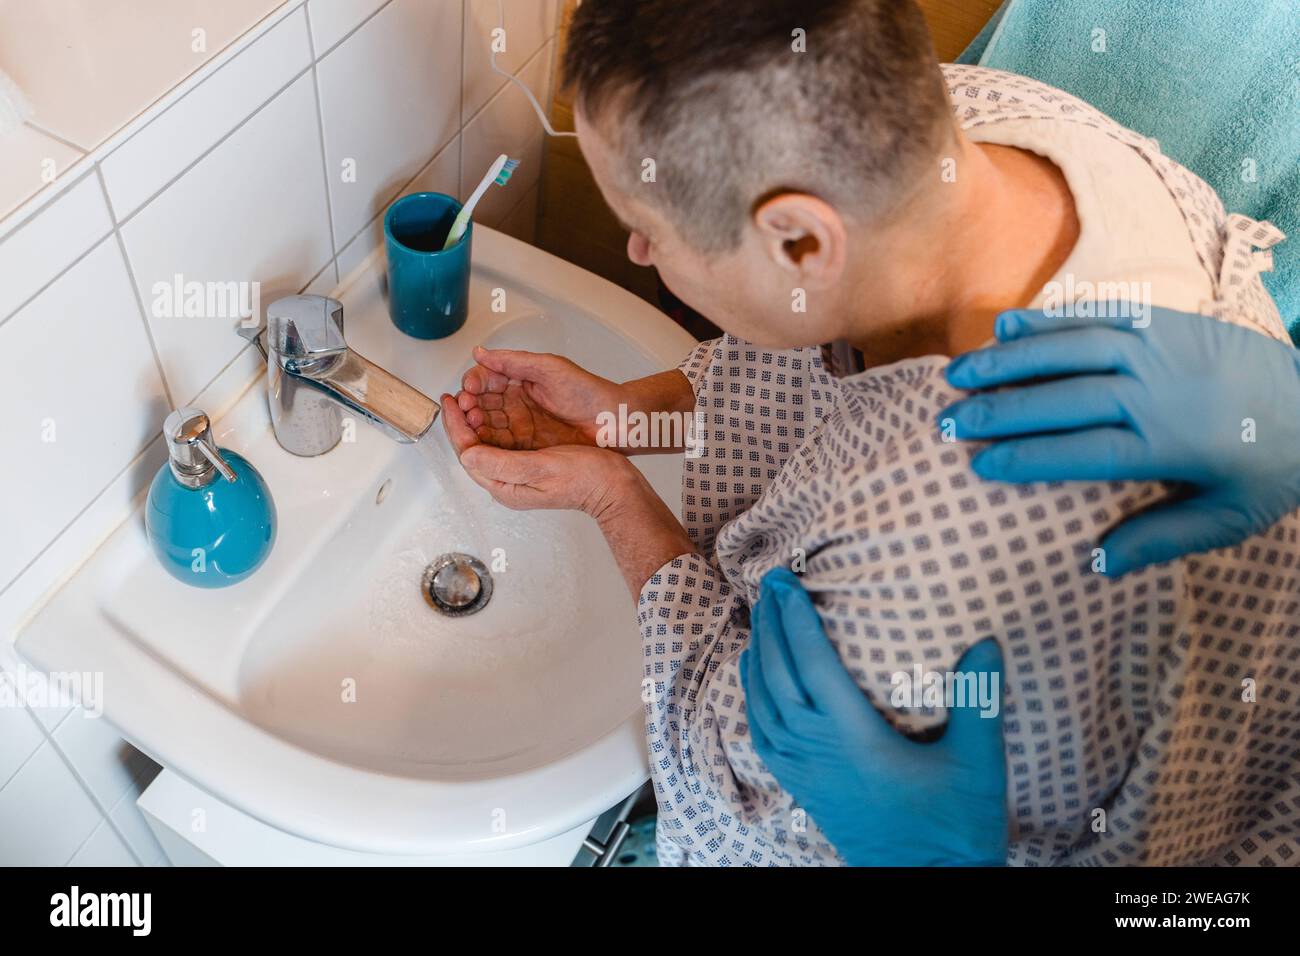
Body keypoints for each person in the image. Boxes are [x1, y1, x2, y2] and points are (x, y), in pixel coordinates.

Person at [440, 0, 1297, 865]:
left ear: (803, 240)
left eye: (648, 227)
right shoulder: (986, 124)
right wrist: (633, 415)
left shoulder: (934, 567)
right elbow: (822, 370)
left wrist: (613, 496)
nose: (633, 249)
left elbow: (747, 798)